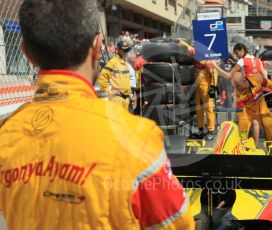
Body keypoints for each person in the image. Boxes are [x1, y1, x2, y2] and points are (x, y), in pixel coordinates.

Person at [0, 1, 195, 229]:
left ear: (27, 55)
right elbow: (178, 223)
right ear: (97, 46)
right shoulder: (136, 137)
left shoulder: (6, 134)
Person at [232, 72, 272, 145]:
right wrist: (243, 131)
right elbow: (241, 114)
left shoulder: (257, 79)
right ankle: (244, 147)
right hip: (248, 112)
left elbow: (269, 83)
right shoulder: (237, 94)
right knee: (243, 128)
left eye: (238, 86)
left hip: (262, 108)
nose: (237, 88)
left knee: (269, 125)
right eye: (236, 86)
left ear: (244, 80)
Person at [98, 41, 132, 110]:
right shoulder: (112, 62)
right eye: (123, 50)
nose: (126, 52)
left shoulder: (125, 62)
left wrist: (130, 95)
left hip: (126, 99)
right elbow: (101, 78)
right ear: (117, 50)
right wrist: (109, 91)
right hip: (116, 99)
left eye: (127, 50)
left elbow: (126, 80)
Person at [194, 60, 218, 140]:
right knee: (199, 109)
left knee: (208, 109)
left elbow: (214, 72)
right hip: (198, 88)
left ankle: (211, 131)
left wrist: (213, 86)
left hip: (206, 88)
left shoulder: (206, 61)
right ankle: (201, 129)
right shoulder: (195, 59)